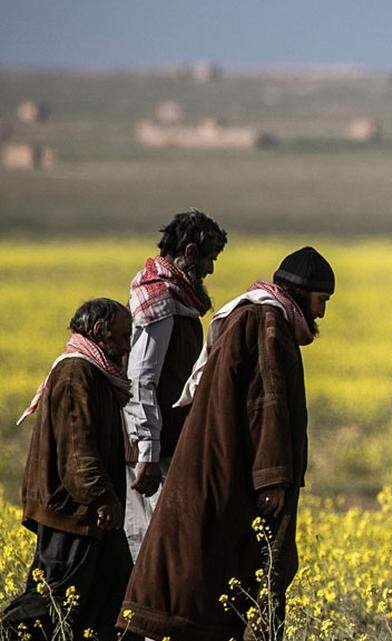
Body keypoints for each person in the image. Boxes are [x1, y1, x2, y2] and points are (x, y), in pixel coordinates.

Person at [118, 248, 334, 641]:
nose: (321, 314)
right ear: (302, 294)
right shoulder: (267, 322)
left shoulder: (250, 317)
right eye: (321, 301)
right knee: (227, 575)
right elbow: (265, 405)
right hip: (231, 471)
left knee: (207, 570)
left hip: (223, 468)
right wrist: (272, 478)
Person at [3, 299, 136, 641]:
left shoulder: (95, 372)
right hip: (72, 512)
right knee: (48, 603)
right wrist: (101, 497)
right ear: (98, 332)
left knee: (114, 601)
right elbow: (78, 449)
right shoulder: (77, 372)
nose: (127, 345)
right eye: (123, 336)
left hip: (90, 512)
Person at [124, 209, 227, 560]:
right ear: (190, 251)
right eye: (210, 258)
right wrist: (147, 452)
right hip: (154, 448)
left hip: (167, 442)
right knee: (151, 542)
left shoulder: (176, 300)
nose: (212, 269)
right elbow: (142, 380)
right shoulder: (160, 302)